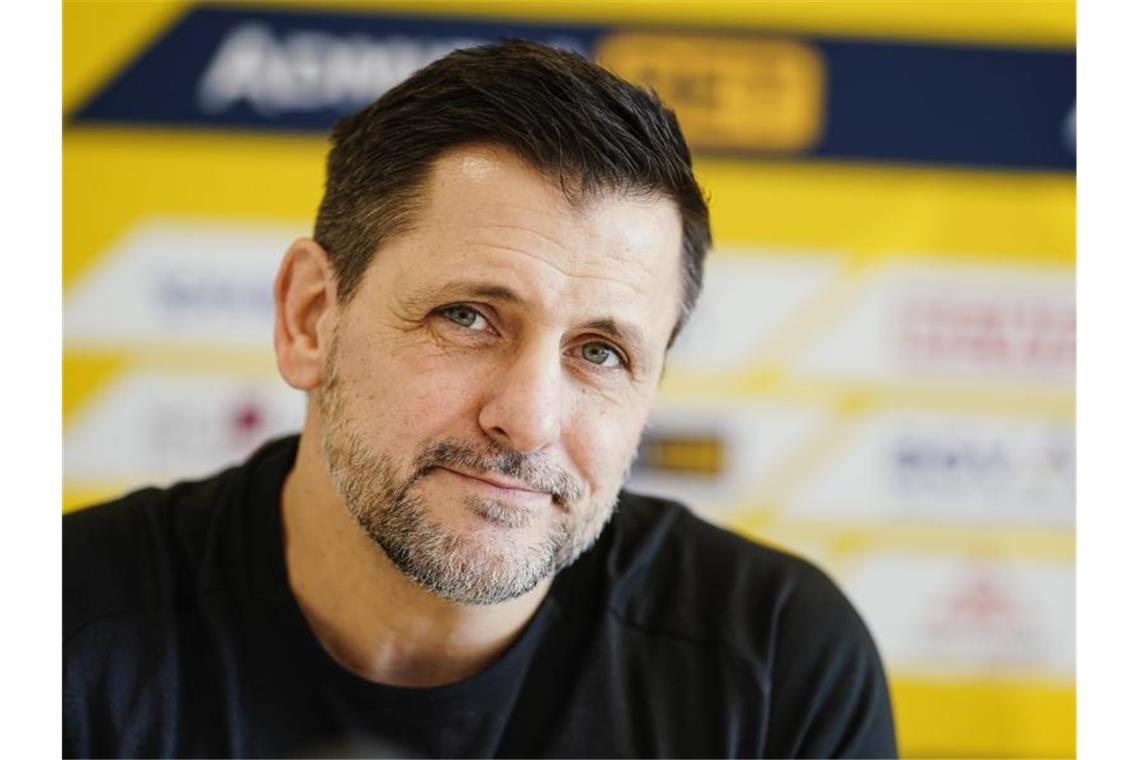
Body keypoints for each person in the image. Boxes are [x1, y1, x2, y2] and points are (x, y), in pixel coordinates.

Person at [63, 40, 896, 758]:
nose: (527, 420)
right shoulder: (57, 630)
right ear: (311, 316)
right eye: (467, 318)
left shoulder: (780, 665)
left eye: (600, 353)